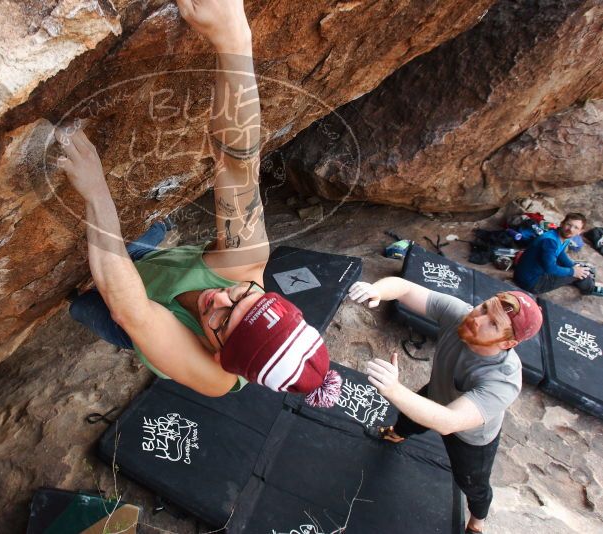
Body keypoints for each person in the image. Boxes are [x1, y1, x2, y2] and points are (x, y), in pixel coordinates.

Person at [57, 0, 340, 406]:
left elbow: (133, 312)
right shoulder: (244, 264)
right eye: (243, 298)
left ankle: (83, 293)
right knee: (140, 242)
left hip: (137, 320)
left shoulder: (213, 375)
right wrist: (234, 40)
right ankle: (135, 256)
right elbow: (238, 163)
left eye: (223, 323)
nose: (219, 299)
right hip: (156, 269)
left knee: (88, 307)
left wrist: (96, 191)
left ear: (223, 355)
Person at [348, 278, 543, 534]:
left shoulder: (504, 380)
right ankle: (396, 434)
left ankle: (477, 522)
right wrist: (377, 290)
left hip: (470, 435)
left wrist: (395, 390)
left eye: (493, 324)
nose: (478, 319)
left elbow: (449, 422)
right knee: (406, 419)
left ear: (507, 343)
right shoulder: (461, 314)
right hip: (436, 394)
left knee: (472, 483)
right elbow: (405, 288)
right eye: (485, 308)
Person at [514, 212, 603, 296]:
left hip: (533, 273)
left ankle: (585, 280)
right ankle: (590, 288)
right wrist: (573, 271)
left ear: (580, 231)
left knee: (578, 269)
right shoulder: (550, 242)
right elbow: (550, 268)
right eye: (568, 224)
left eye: (576, 228)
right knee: (579, 275)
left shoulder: (564, 237)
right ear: (562, 223)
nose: (571, 229)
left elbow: (560, 254)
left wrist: (573, 266)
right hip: (531, 282)